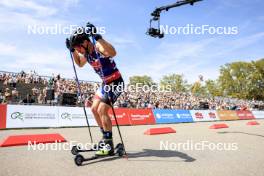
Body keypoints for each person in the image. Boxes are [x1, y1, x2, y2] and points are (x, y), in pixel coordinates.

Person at [66, 24, 124, 156]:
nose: (79, 51)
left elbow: (113, 53)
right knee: (93, 109)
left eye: (78, 47)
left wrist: (98, 37)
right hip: (105, 84)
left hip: (116, 82)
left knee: (102, 109)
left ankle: (109, 145)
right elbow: (79, 64)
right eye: (76, 49)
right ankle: (106, 139)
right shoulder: (86, 54)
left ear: (86, 42)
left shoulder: (97, 47)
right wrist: (72, 51)